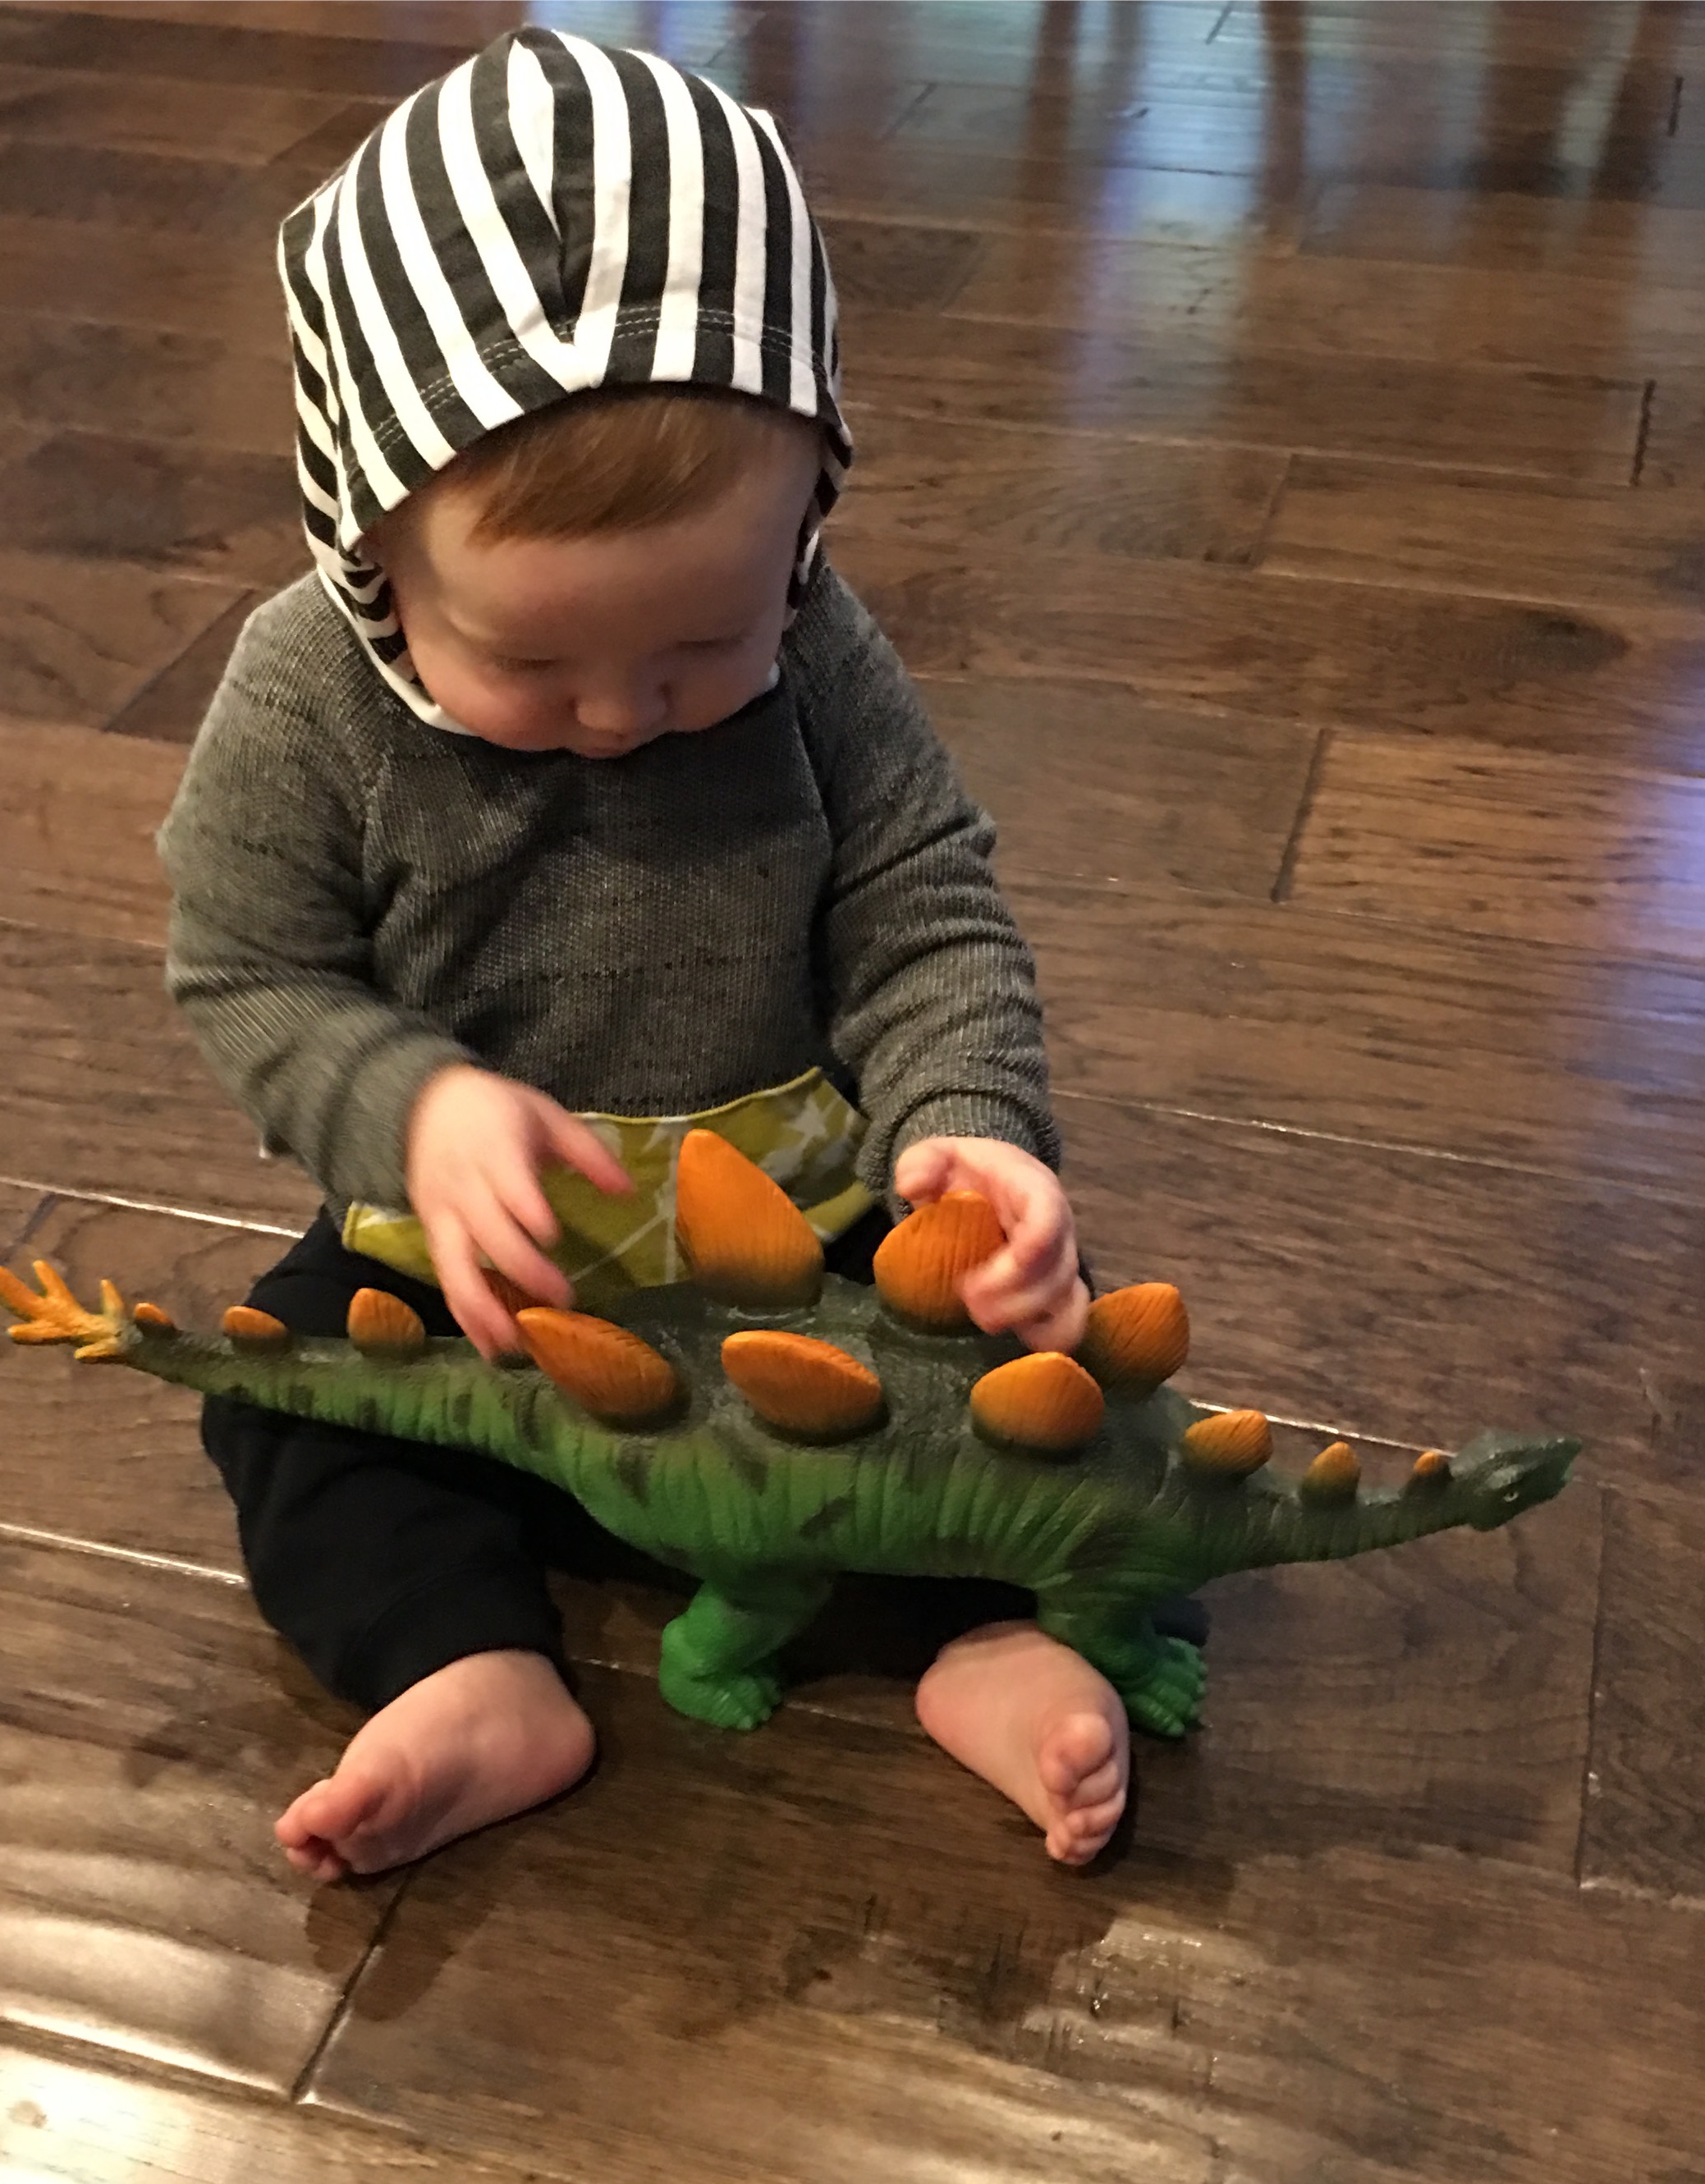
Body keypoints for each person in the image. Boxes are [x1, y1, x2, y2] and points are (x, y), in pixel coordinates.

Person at [158, 26, 1129, 1881]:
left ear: (804, 522)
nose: (620, 713)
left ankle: (988, 1640)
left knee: (1015, 1370)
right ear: (371, 543)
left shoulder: (818, 644)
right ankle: (463, 1664)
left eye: (701, 644)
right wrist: (411, 1107)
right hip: (474, 1274)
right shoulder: (301, 697)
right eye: (528, 662)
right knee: (290, 1394)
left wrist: (968, 1126)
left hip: (801, 1238)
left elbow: (921, 895)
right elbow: (247, 971)